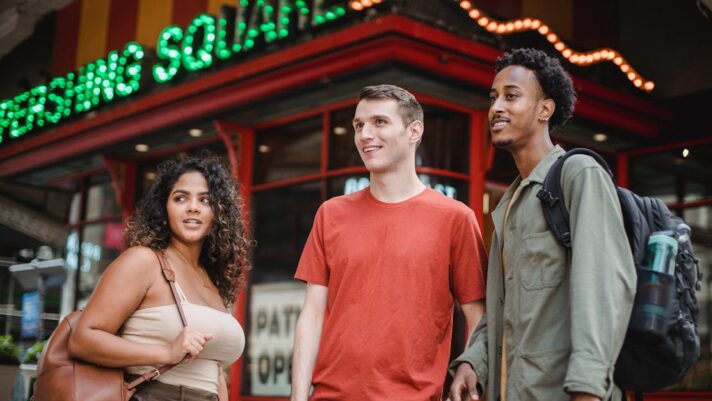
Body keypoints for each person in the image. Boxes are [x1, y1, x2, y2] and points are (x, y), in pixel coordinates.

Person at [447, 48, 637, 401]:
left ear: (544, 110)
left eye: (511, 96)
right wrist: (473, 364)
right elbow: (502, 311)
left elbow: (602, 289)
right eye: (493, 97)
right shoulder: (510, 205)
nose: (496, 108)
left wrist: (588, 389)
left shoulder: (580, 175)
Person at [291, 84, 487, 401]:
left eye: (379, 122)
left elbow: (478, 317)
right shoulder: (331, 214)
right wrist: (297, 397)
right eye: (359, 125)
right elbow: (312, 315)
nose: (365, 134)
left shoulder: (456, 219)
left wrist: (470, 369)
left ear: (414, 131)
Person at [69, 152, 249, 401]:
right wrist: (166, 351)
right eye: (180, 198)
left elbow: (215, 373)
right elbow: (82, 339)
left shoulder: (213, 280)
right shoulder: (143, 261)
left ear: (220, 213)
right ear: (164, 207)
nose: (193, 207)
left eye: (205, 200)